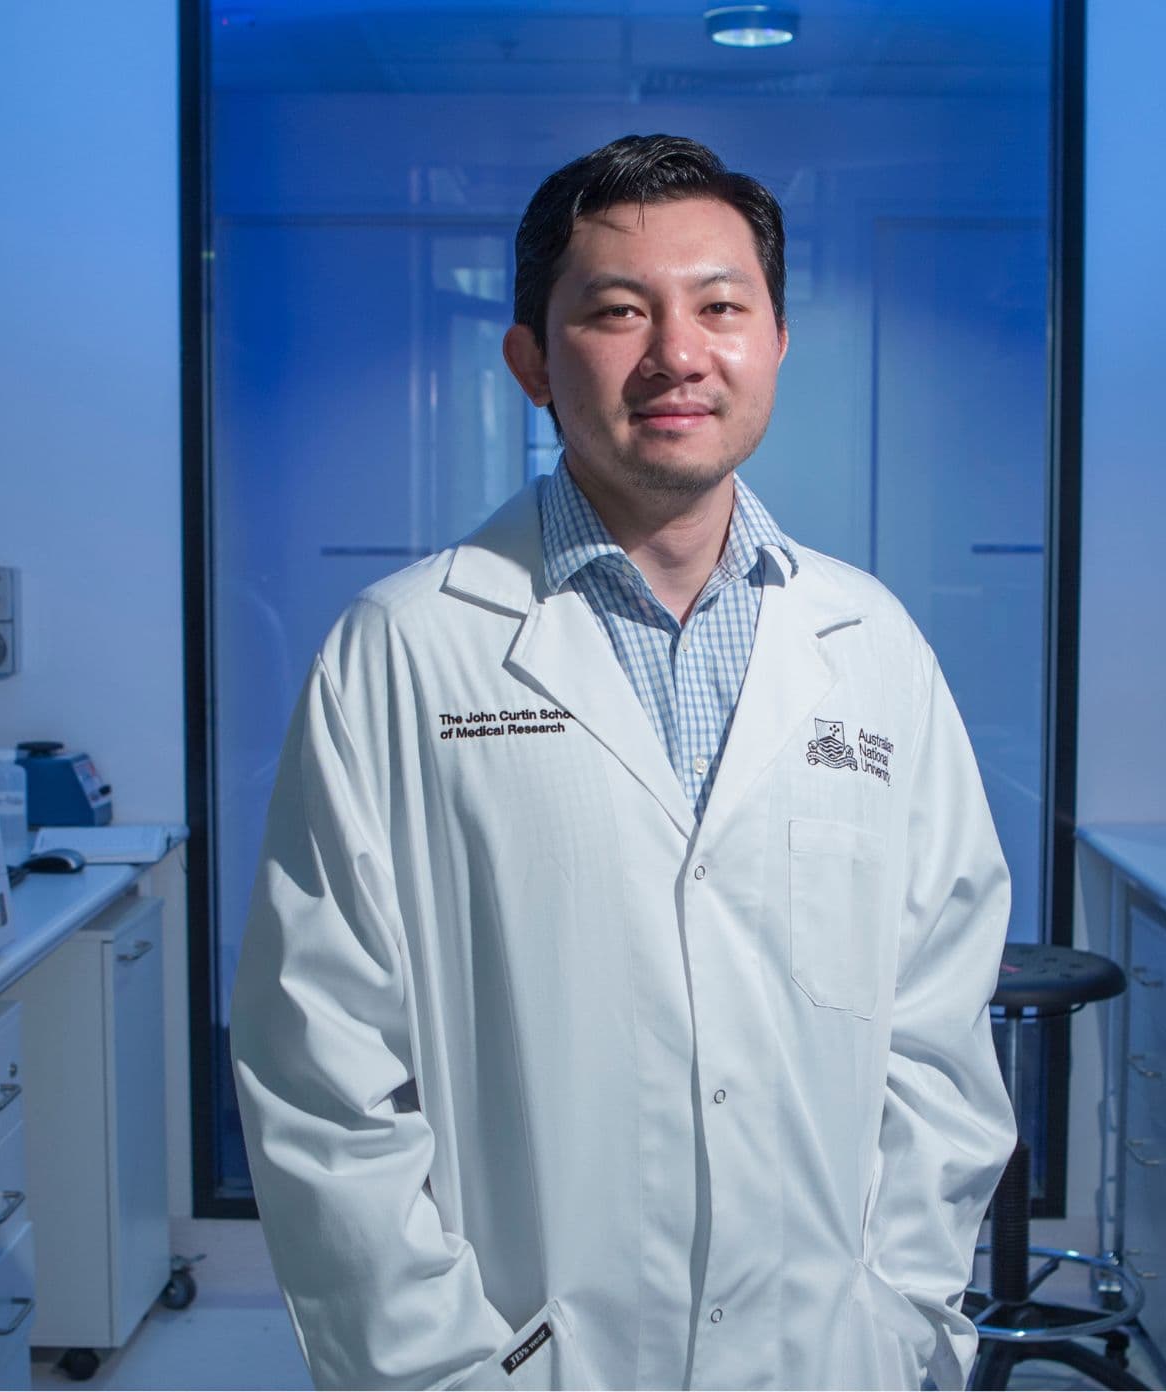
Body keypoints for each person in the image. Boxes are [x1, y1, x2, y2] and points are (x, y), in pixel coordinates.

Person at [230, 133, 1016, 1391]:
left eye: (719, 306)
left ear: (773, 345)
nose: (677, 354)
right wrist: (438, 1369)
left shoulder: (870, 647)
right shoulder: (406, 648)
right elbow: (319, 1069)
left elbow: (936, 1034)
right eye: (616, 311)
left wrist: (896, 1314)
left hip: (824, 1357)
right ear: (531, 361)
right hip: (518, 1360)